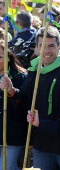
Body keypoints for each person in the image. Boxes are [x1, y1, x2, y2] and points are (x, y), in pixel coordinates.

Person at [0, 25, 60, 170]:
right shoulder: (34, 69)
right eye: (42, 46)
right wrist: (11, 91)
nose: (46, 51)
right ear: (36, 47)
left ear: (59, 46)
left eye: (51, 46)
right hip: (41, 143)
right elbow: (24, 99)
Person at [0, 40, 27, 170]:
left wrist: (11, 91)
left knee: (6, 167)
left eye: (0, 56)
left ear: (8, 57)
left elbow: (25, 103)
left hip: (13, 133)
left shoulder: (21, 77)